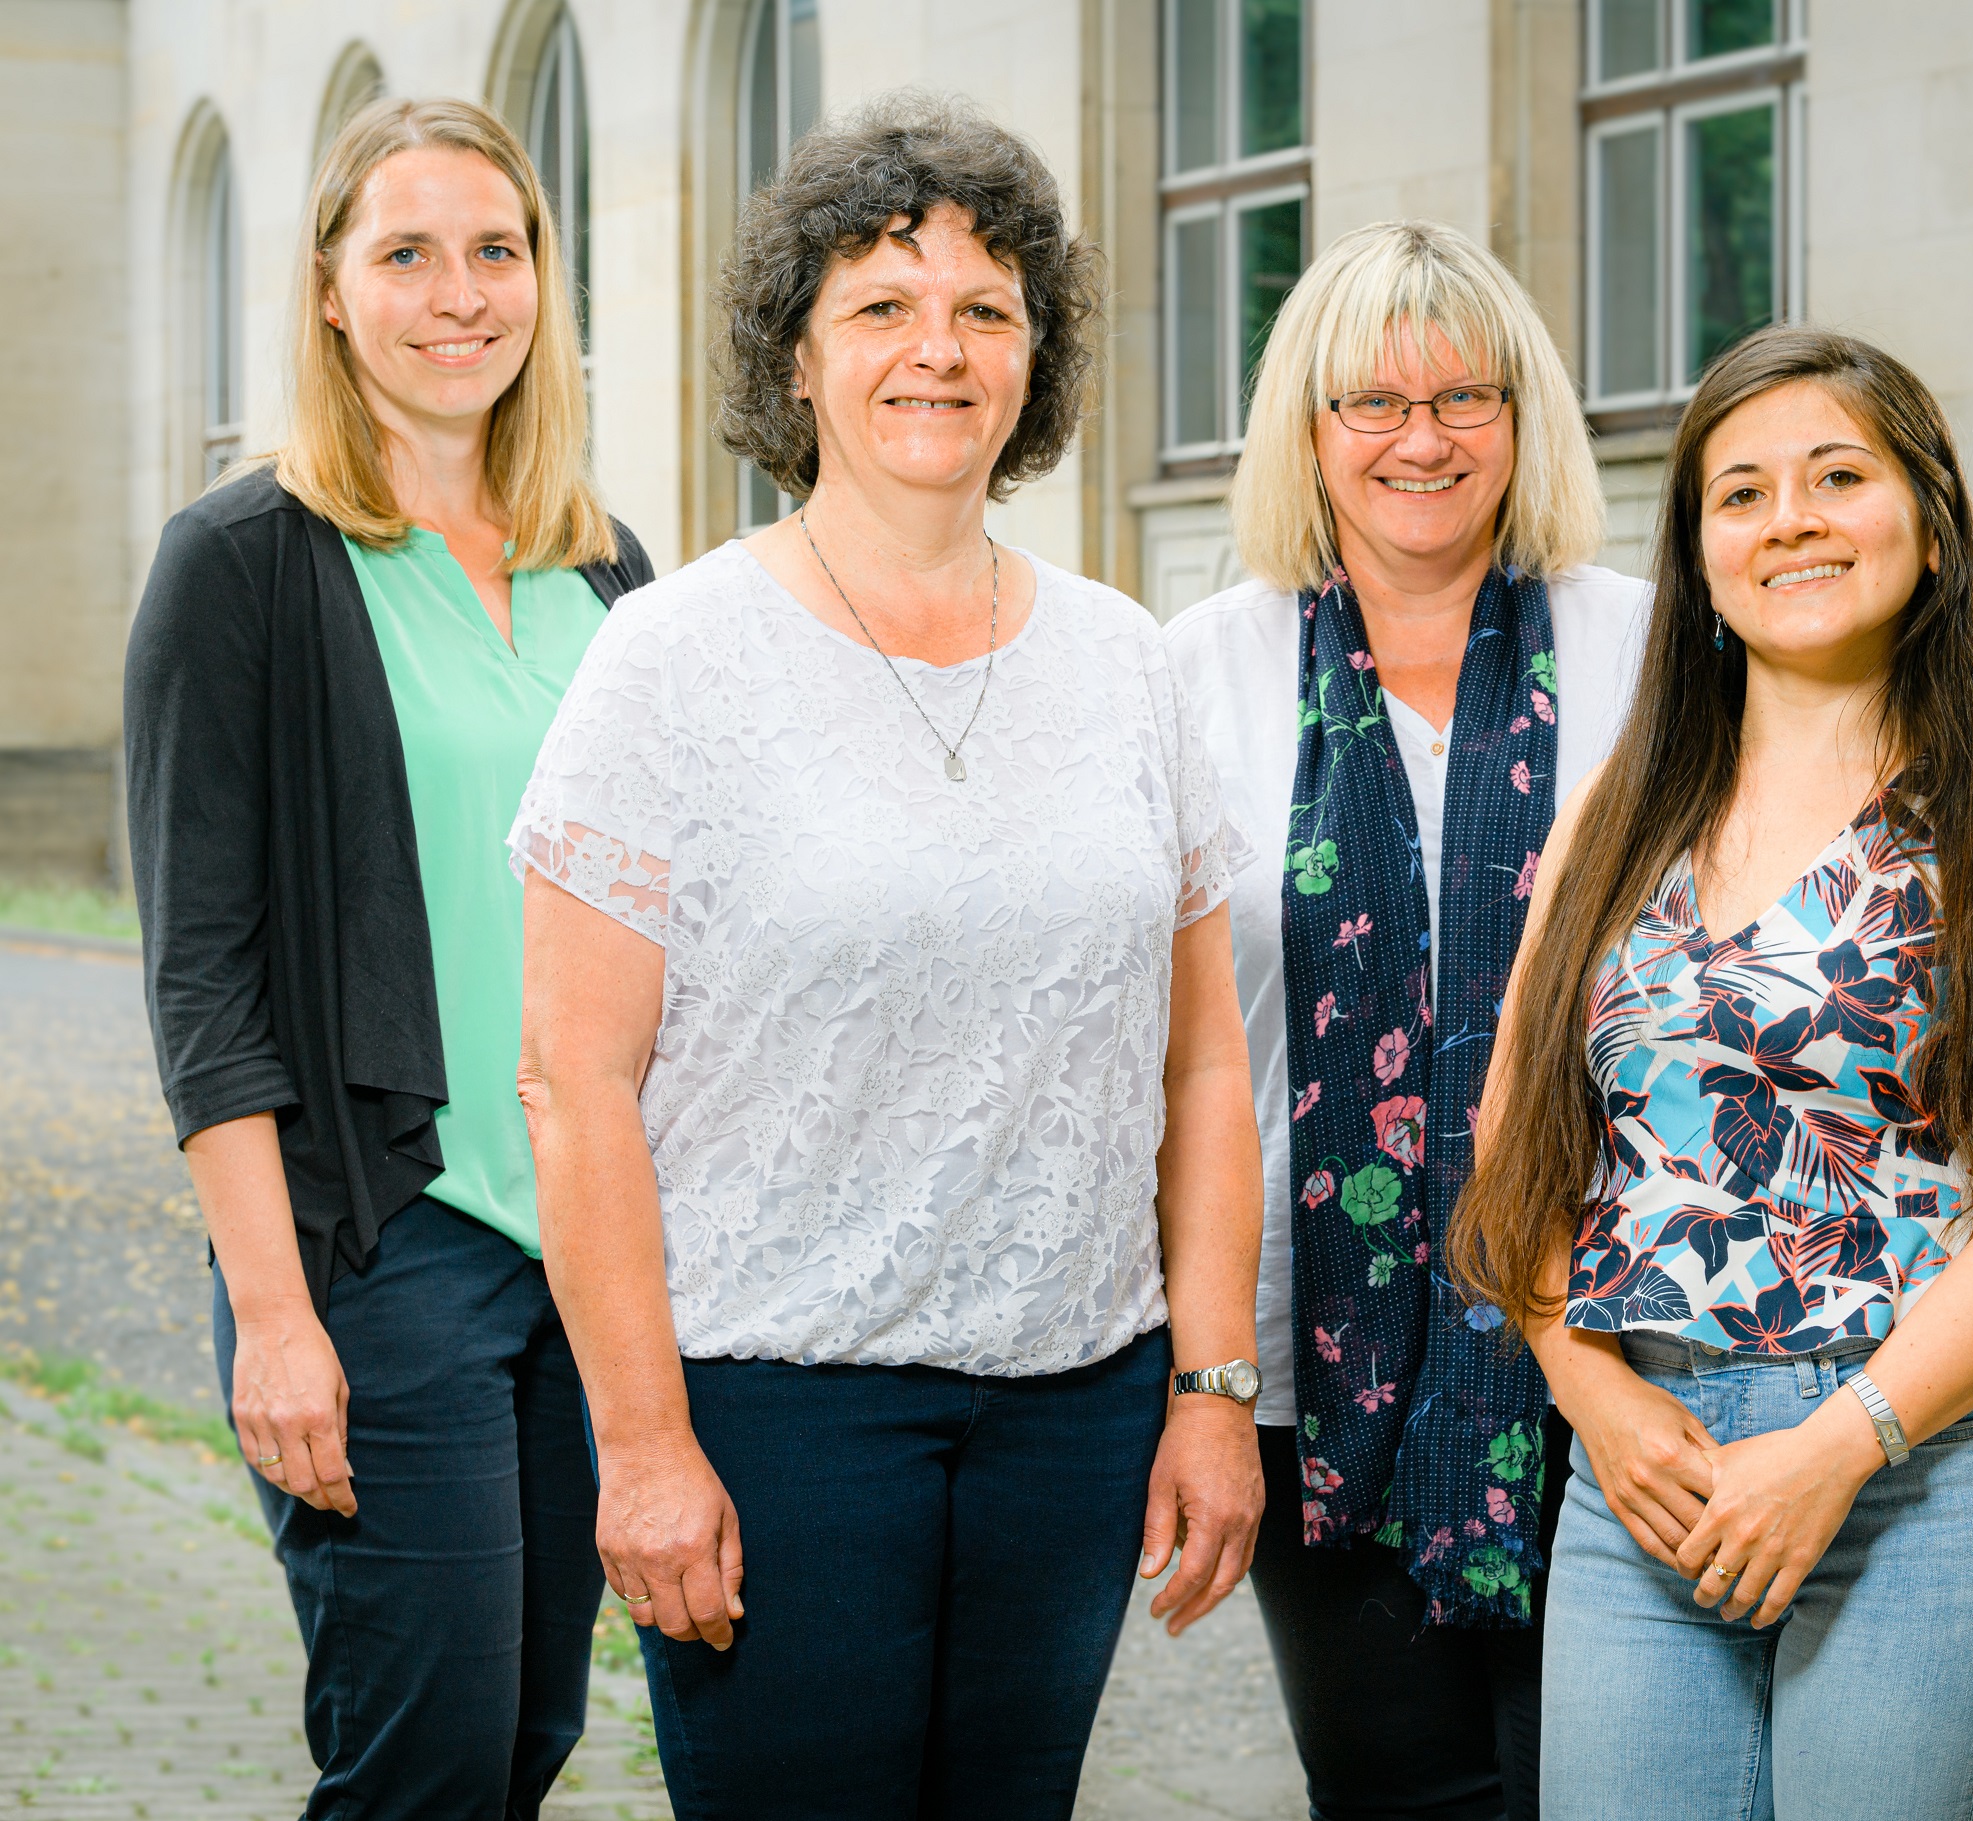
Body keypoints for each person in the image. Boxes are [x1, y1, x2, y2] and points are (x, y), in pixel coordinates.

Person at [510, 93, 1264, 1821]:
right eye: (883, 306)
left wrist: (1213, 1388)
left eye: (984, 310)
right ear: (796, 356)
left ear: (1036, 358)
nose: (939, 350)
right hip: (776, 1418)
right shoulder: (670, 660)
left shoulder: (1127, 663)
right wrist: (640, 1449)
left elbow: (1207, 1062)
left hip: (1073, 1412)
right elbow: (573, 1083)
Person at [1453, 324, 1973, 1821]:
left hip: (1917, 1471)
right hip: (1652, 1475)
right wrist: (1595, 1397)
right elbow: (1515, 1156)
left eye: (1839, 475)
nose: (1794, 520)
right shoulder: (1611, 831)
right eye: (1743, 493)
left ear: (1931, 524)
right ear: (1698, 557)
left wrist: (1841, 1444)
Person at [123, 99, 654, 1818]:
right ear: (332, 293)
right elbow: (202, 977)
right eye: (406, 253)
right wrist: (274, 1316)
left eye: (496, 251)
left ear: (543, 287)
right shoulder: (242, 566)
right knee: (418, 1756)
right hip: (383, 1242)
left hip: (593, 1250)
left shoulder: (609, 570)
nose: (459, 293)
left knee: (526, 1740)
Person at [1166, 219, 1644, 1819]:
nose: (1420, 438)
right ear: (1307, 428)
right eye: (1370, 401)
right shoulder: (1192, 679)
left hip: (1622, 1347)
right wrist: (1206, 1386)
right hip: (1325, 1363)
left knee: (1616, 1790)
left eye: (1463, 396)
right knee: (1400, 1798)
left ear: (1526, 417)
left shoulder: (1651, 651)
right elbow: (1171, 1059)